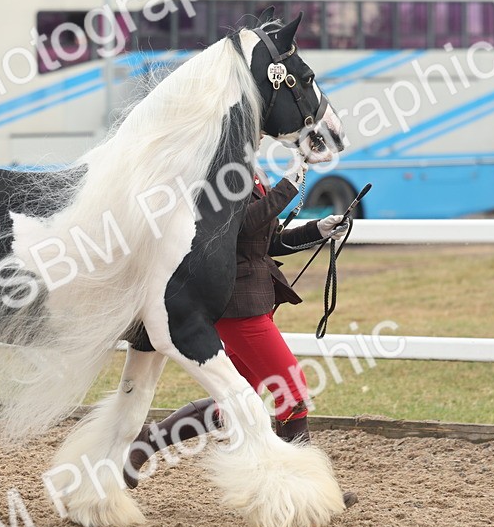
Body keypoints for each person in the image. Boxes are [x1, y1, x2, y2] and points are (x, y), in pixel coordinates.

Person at [124, 160, 356, 506]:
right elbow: (241, 225)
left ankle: (146, 442)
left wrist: (317, 231)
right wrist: (287, 190)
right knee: (291, 390)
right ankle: (305, 492)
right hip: (236, 306)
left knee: (235, 399)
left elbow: (267, 242)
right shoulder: (215, 174)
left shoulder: (251, 171)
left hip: (256, 299)